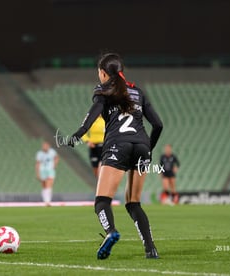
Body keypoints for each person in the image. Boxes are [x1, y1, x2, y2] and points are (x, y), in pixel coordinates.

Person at [69, 53, 163, 259]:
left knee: (102, 201)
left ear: (103, 73)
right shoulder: (138, 92)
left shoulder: (103, 91)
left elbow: (92, 116)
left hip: (117, 145)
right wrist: (149, 148)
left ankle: (111, 232)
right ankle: (150, 249)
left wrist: (78, 134)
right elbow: (158, 125)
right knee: (133, 203)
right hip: (142, 146)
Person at [35, 141, 59, 206]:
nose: (44, 147)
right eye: (43, 145)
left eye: (46, 145)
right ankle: (45, 201)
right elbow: (37, 163)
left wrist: (54, 165)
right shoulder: (39, 153)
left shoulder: (52, 152)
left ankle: (48, 201)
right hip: (42, 170)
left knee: (49, 184)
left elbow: (56, 158)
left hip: (50, 170)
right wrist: (37, 173)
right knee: (44, 185)